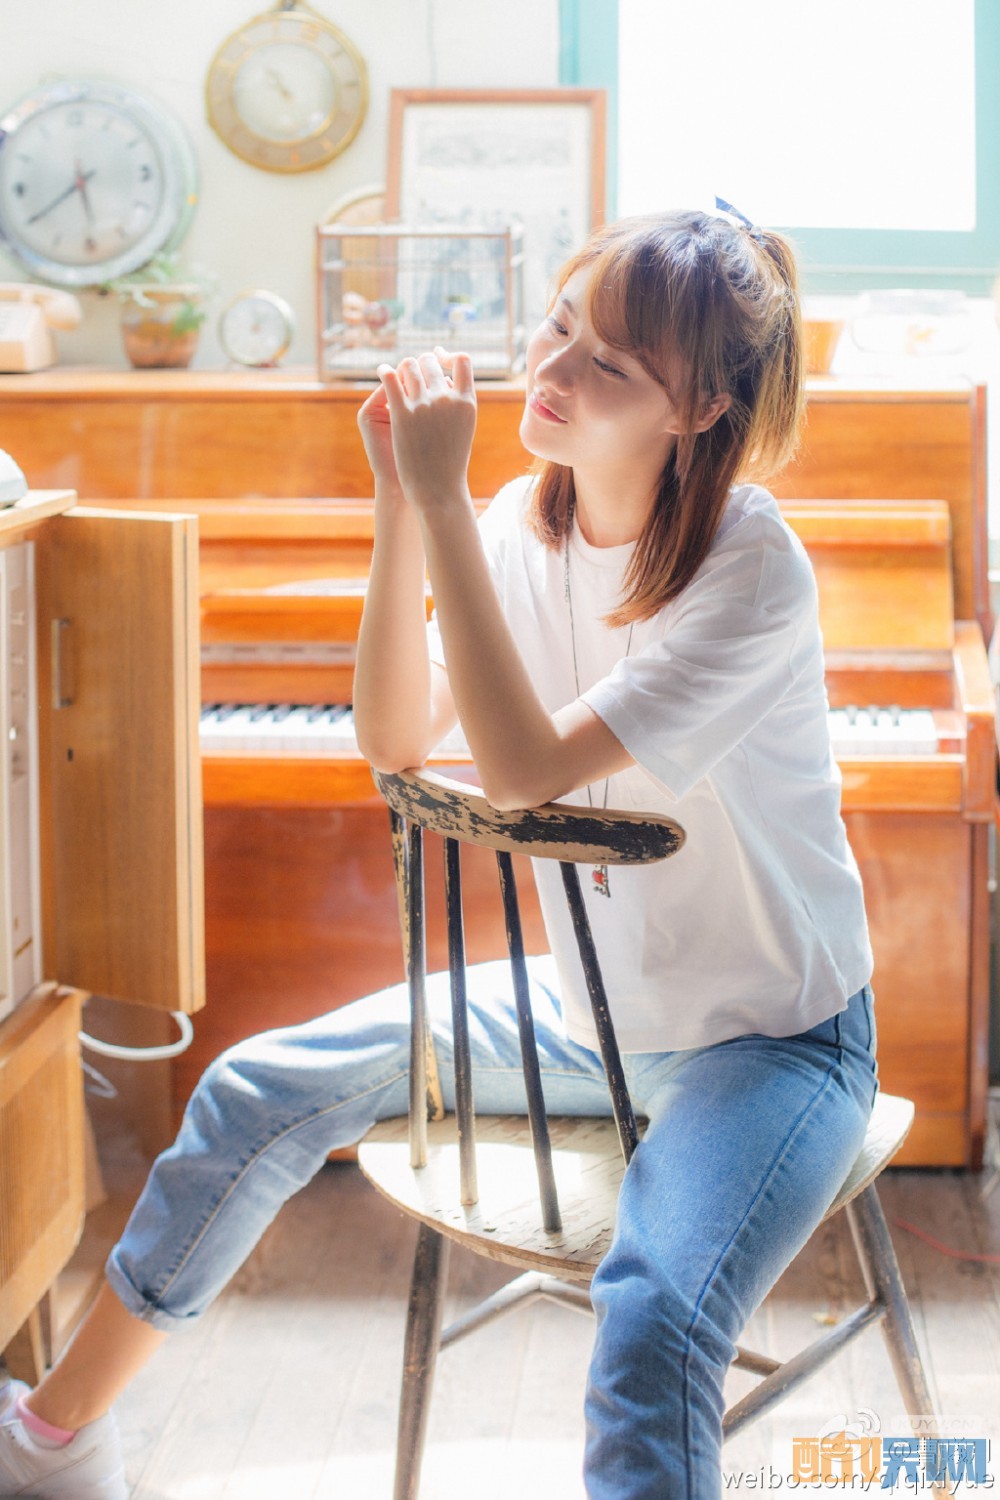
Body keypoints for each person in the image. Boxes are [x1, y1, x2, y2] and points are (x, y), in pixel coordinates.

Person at [0, 207, 876, 1500]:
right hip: (594, 1015)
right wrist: (405, 506)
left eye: (608, 366)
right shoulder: (523, 522)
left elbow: (518, 770)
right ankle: (53, 1439)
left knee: (653, 1321)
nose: (552, 372)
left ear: (700, 409)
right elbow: (398, 737)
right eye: (558, 328)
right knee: (252, 1089)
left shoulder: (749, 570)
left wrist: (442, 500)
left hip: (772, 1041)